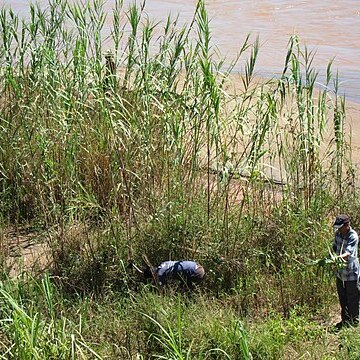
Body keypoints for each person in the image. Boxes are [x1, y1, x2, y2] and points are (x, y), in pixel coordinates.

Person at [332, 214, 360, 331]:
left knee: (352, 297)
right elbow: (334, 247)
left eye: (340, 227)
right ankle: (345, 320)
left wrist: (337, 258)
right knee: (342, 297)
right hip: (340, 273)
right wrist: (330, 257)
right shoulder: (338, 234)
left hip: (351, 273)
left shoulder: (353, 236)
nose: (339, 229)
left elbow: (348, 254)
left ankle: (354, 321)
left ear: (347, 225)